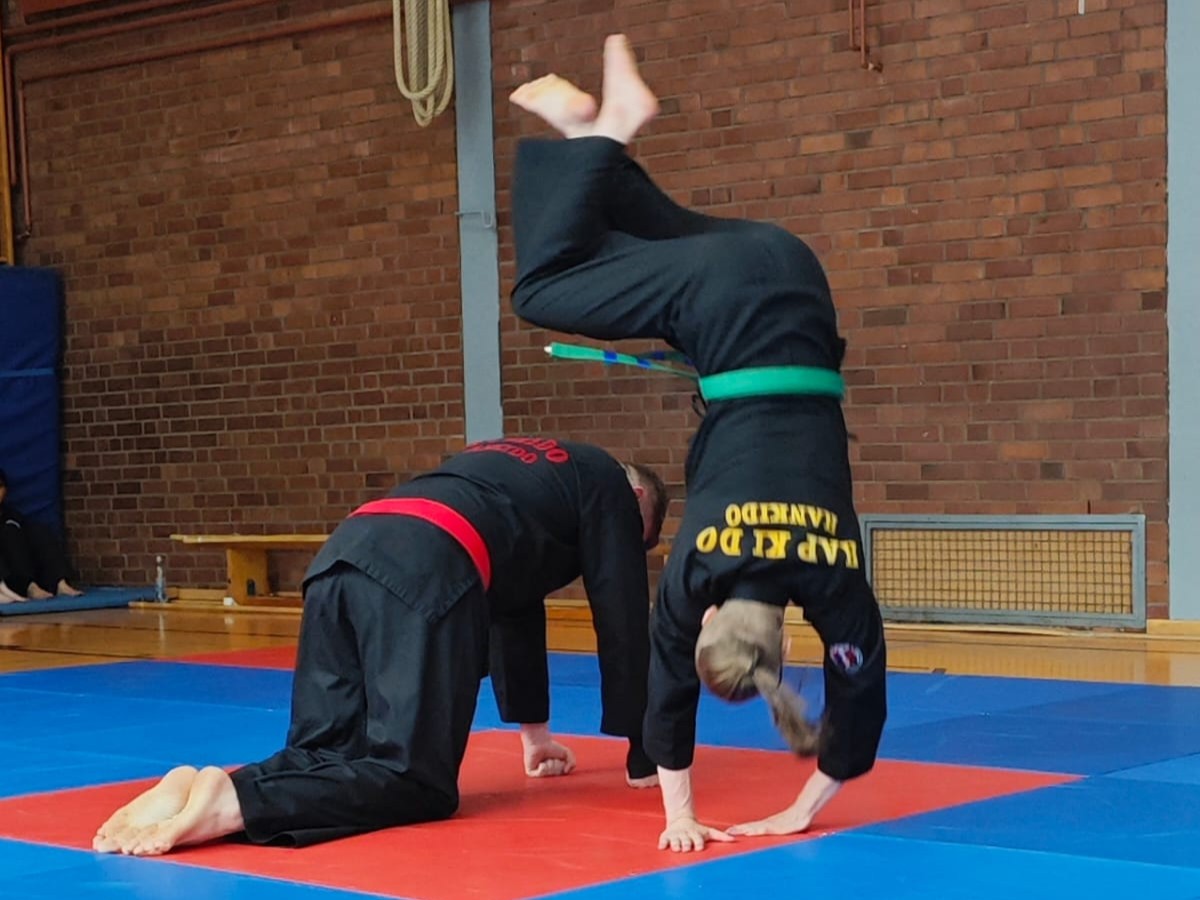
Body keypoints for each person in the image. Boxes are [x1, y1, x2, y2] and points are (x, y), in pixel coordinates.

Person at [508, 35, 887, 852]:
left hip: (791, 272)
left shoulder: (835, 578)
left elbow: (860, 702)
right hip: (724, 306)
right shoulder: (699, 568)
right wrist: (678, 816)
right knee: (542, 287)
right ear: (710, 615)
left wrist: (806, 805)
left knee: (643, 237)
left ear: (786, 639)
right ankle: (606, 132)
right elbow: (667, 696)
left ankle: (593, 137)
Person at [92, 437, 668, 856]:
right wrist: (647, 751)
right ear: (637, 497)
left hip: (345, 553)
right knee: (417, 782)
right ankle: (235, 803)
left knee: (328, 749)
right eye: (633, 539)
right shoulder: (608, 486)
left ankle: (203, 787)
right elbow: (622, 619)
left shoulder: (526, 469)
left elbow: (516, 605)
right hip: (427, 567)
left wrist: (534, 736)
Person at [0, 467, 83, 603]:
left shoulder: (11, 514)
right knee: (10, 534)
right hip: (7, 575)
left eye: (0, 487)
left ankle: (59, 583)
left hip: (21, 566)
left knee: (38, 531)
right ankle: (28, 586)